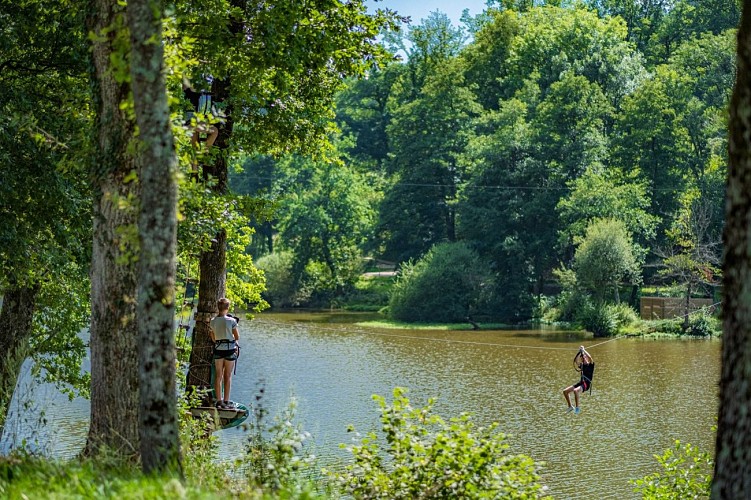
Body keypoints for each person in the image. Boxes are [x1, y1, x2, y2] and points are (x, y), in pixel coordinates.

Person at [209, 298, 240, 410]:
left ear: (218, 307)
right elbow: (237, 337)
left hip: (218, 350)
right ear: (227, 308)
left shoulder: (213, 321)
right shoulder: (232, 321)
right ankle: (226, 401)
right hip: (230, 351)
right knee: (227, 376)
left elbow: (213, 338)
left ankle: (219, 401)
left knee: (218, 376)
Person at [563, 346, 594, 414]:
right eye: (583, 359)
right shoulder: (582, 365)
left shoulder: (591, 365)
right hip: (581, 383)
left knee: (575, 391)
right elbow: (576, 361)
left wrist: (583, 350)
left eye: (585, 358)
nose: (584, 359)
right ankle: (570, 406)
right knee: (565, 391)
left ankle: (577, 408)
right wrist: (579, 352)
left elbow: (590, 357)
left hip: (586, 384)